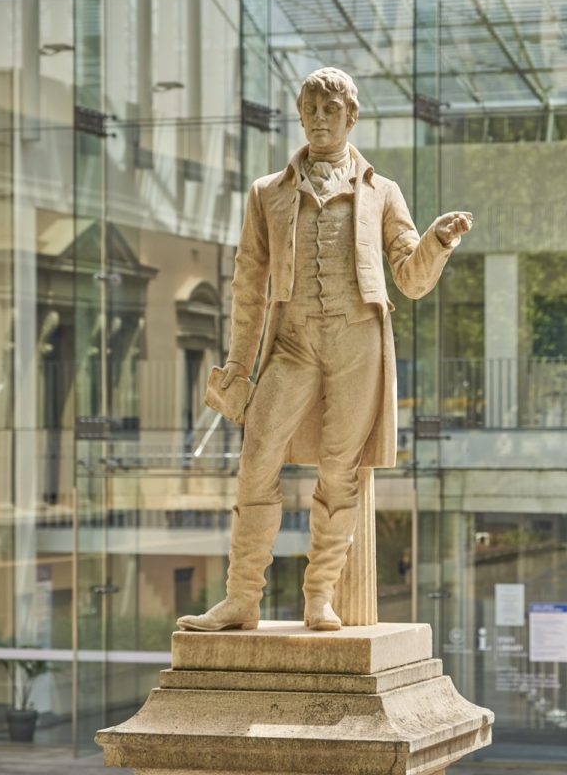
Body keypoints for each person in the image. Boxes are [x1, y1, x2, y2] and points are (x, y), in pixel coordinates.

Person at [177, 67, 472, 632]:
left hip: (358, 339)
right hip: (292, 342)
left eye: (330, 110)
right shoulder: (268, 193)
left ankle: (319, 595)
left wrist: (436, 242)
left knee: (342, 469)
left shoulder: (383, 192)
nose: (318, 118)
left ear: (351, 117)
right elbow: (248, 284)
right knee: (257, 457)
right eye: (309, 108)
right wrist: (239, 364)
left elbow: (408, 279)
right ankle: (242, 597)